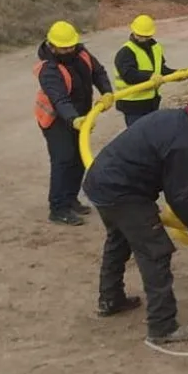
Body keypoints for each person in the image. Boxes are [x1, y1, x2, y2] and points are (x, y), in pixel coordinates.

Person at [81, 84, 188, 344]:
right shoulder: (185, 145)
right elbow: (180, 196)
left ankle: (111, 299)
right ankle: (162, 327)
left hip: (100, 183)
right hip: (125, 194)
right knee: (156, 253)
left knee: (118, 242)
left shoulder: (171, 118)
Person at [34, 20, 114, 226]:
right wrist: (73, 119)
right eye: (64, 47)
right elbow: (59, 98)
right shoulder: (48, 69)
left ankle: (71, 199)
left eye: (71, 45)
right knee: (63, 160)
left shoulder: (82, 53)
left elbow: (98, 72)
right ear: (52, 46)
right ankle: (58, 208)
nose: (69, 50)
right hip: (56, 119)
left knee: (78, 159)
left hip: (81, 116)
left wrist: (106, 92)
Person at [113, 14, 183, 127]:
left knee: (151, 135)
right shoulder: (126, 51)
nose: (142, 39)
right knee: (138, 138)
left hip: (151, 102)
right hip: (133, 105)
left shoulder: (156, 48)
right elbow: (129, 75)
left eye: (146, 36)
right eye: (139, 35)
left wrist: (175, 74)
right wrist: (149, 76)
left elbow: (160, 69)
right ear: (133, 32)